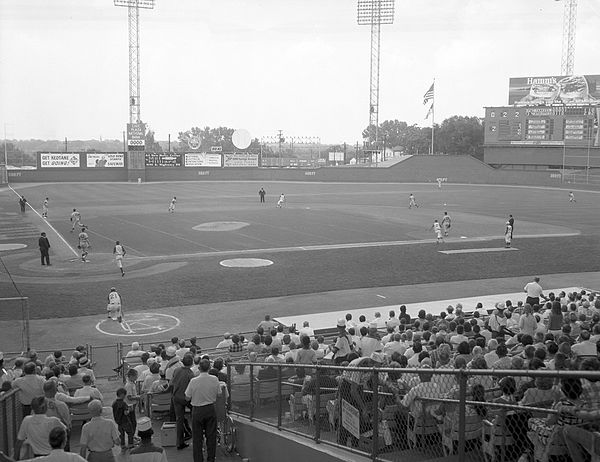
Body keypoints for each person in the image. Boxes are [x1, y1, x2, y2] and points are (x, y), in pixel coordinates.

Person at [185, 358, 221, 462]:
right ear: (209, 368)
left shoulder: (193, 381)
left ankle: (198, 459)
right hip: (210, 408)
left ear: (199, 368)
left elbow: (187, 397)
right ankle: (211, 459)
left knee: (197, 438)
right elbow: (219, 394)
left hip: (197, 410)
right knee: (211, 436)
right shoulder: (214, 379)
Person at [169, 355, 194, 450]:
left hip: (176, 397)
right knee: (194, 417)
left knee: (179, 419)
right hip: (186, 398)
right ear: (191, 363)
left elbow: (171, 383)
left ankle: (180, 442)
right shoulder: (190, 374)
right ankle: (194, 437)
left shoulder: (176, 370)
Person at [112, 388, 135, 452]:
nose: (125, 396)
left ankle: (123, 446)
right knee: (130, 432)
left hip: (118, 422)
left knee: (121, 435)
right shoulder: (123, 403)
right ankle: (131, 444)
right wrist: (129, 410)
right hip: (125, 421)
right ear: (122, 395)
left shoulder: (114, 403)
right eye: (125, 395)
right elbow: (125, 413)